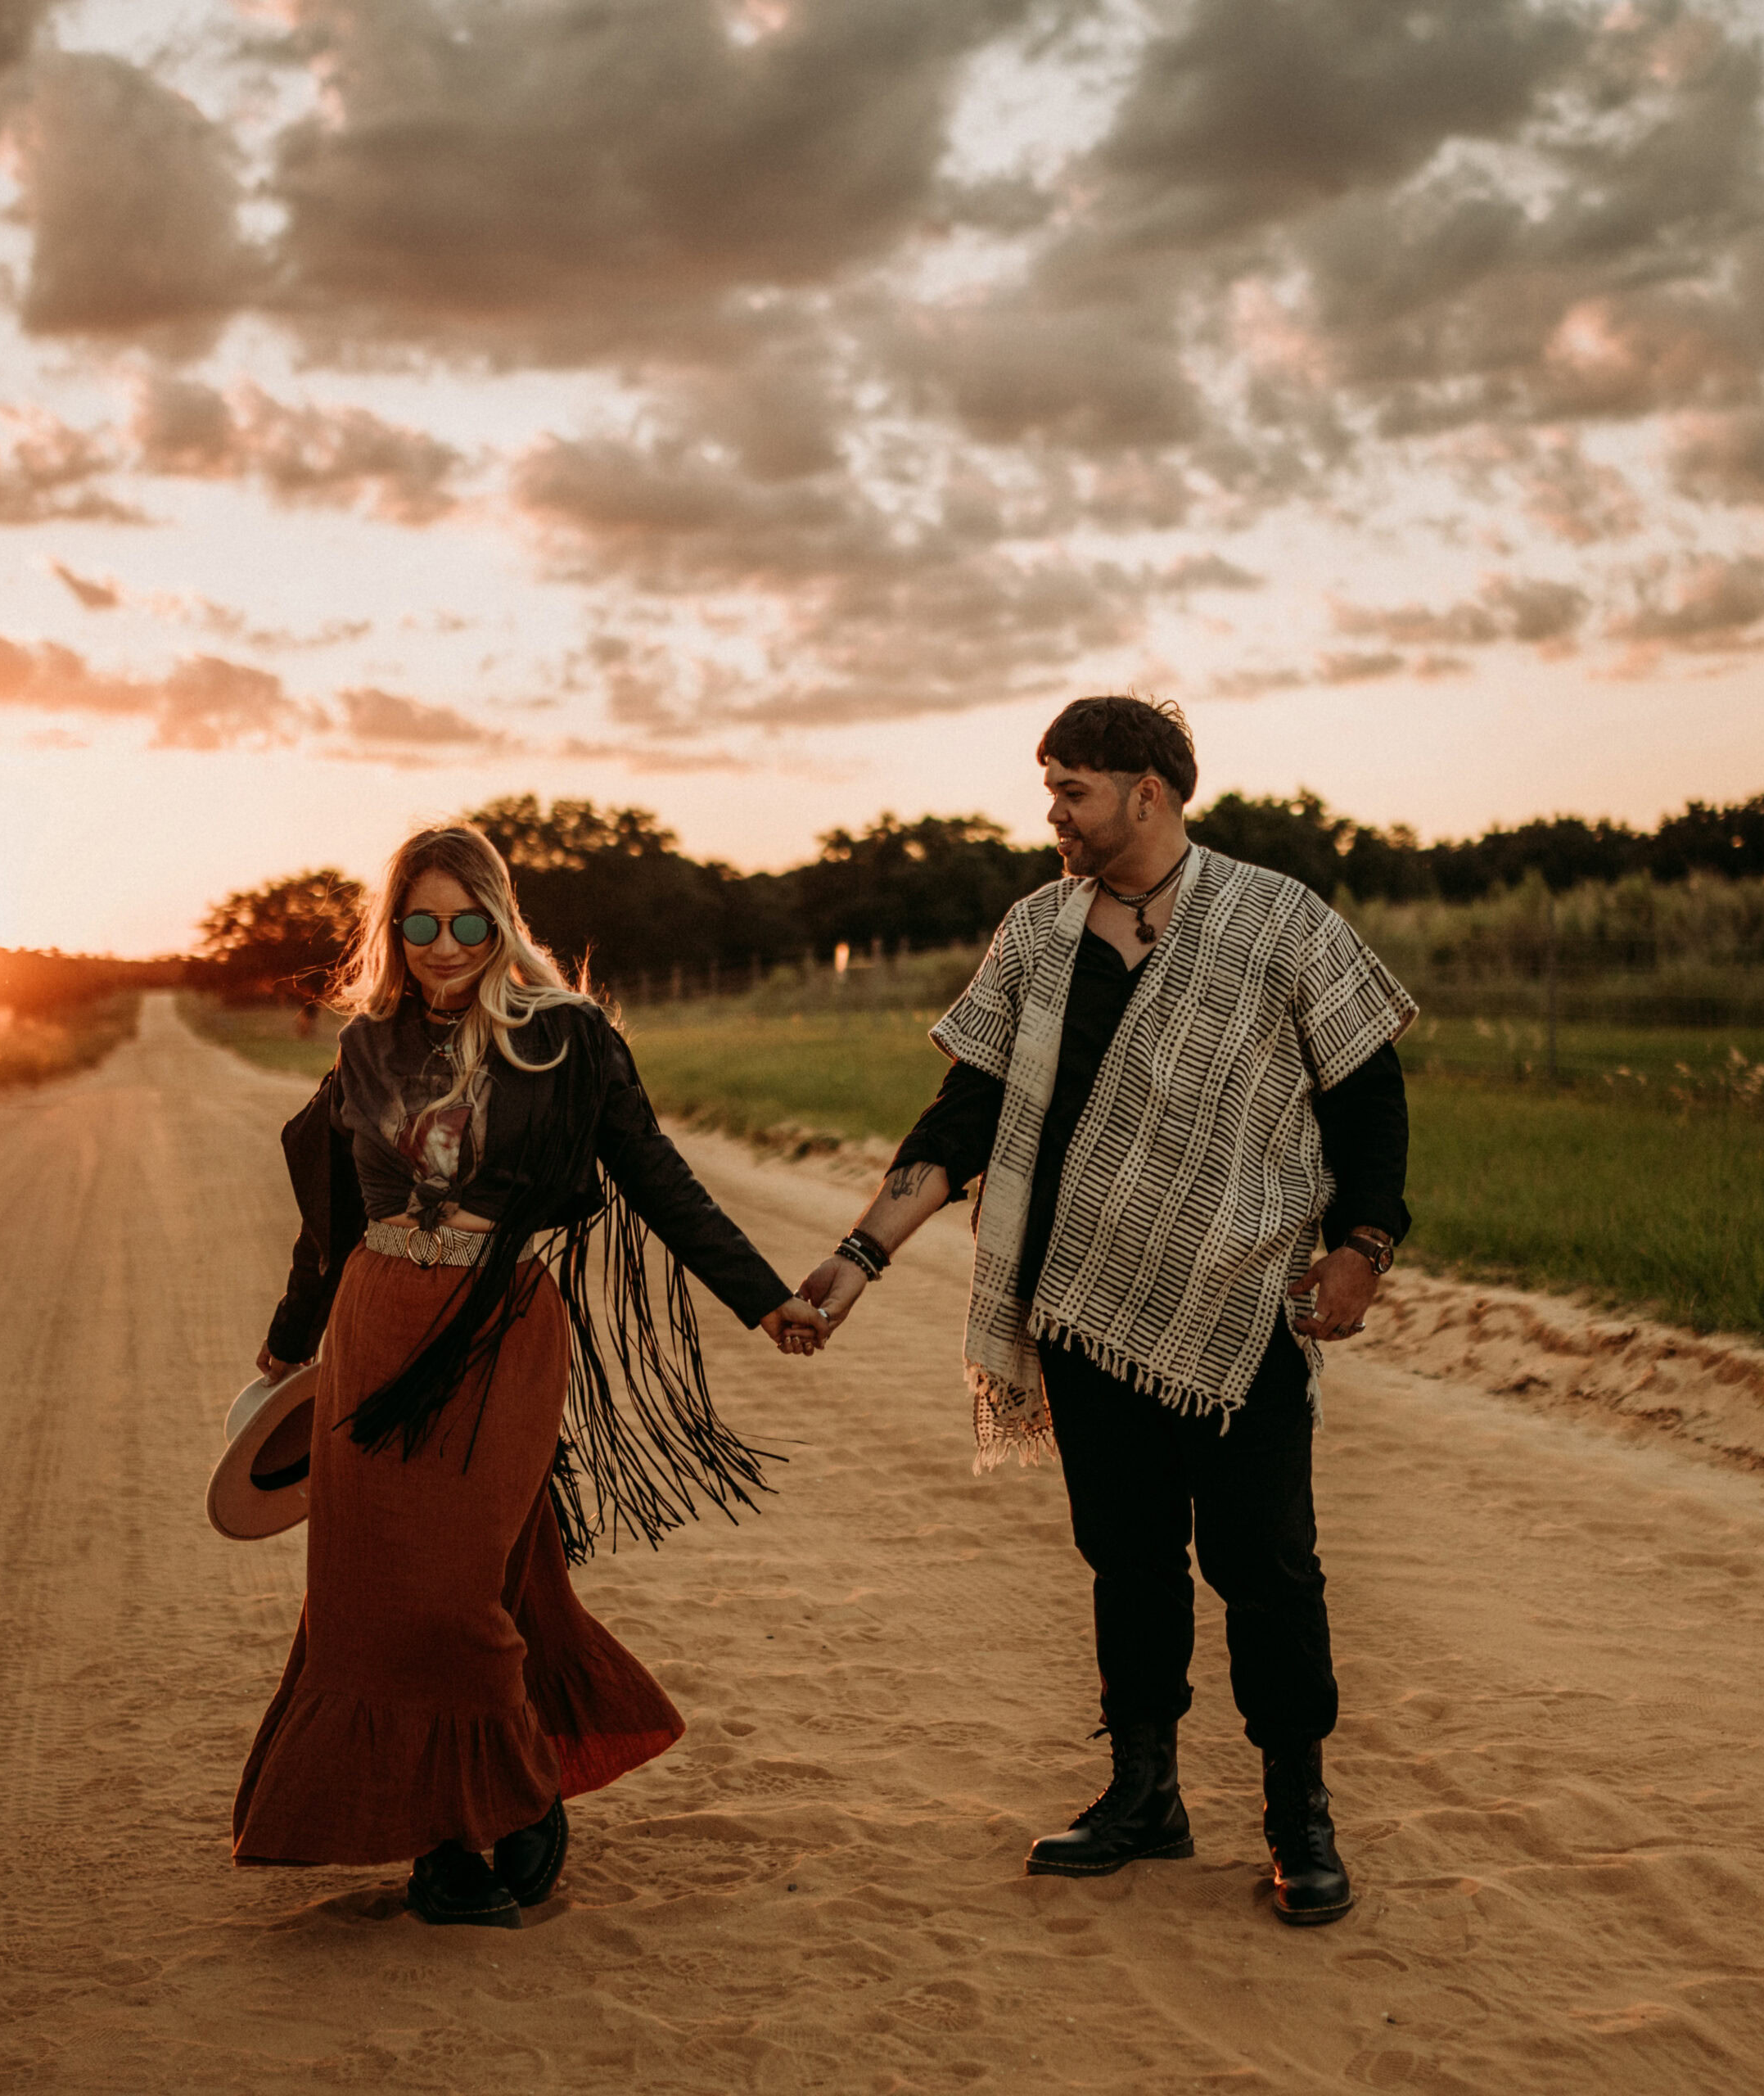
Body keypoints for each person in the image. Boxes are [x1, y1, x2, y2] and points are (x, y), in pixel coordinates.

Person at [798, 695, 1414, 1927]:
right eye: (1051, 787)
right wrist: (859, 1253)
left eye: (1072, 789)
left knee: (1265, 1563)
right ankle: (1145, 1793)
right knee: (1126, 1558)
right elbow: (965, 1113)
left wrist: (1363, 1248)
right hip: (1078, 1306)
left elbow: (1370, 1099)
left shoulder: (1277, 919)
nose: (1053, 813)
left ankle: (1299, 1811)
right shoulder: (1037, 932)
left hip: (1239, 1309)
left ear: (1148, 790)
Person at [232, 824, 828, 1928]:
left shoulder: (568, 1041)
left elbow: (657, 1176)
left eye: (468, 921)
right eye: (421, 923)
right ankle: (443, 1843)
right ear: (394, 931)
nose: (444, 944)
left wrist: (764, 1297)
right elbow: (331, 1214)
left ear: (502, 925)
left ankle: (515, 1793)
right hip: (375, 1331)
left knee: (456, 1595)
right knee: (365, 1596)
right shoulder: (367, 1046)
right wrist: (291, 1335)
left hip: (495, 1330)